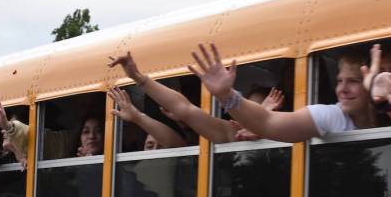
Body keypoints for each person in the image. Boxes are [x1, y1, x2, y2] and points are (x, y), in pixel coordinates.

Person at [188, 42, 376, 142]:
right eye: (340, 81)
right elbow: (266, 121)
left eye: (353, 81)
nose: (342, 89)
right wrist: (226, 95)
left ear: (371, 82)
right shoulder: (333, 115)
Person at [109, 51, 284, 145]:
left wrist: (264, 126)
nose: (247, 120)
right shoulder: (231, 134)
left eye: (258, 114)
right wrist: (139, 78)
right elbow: (185, 109)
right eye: (243, 113)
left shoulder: (286, 133)